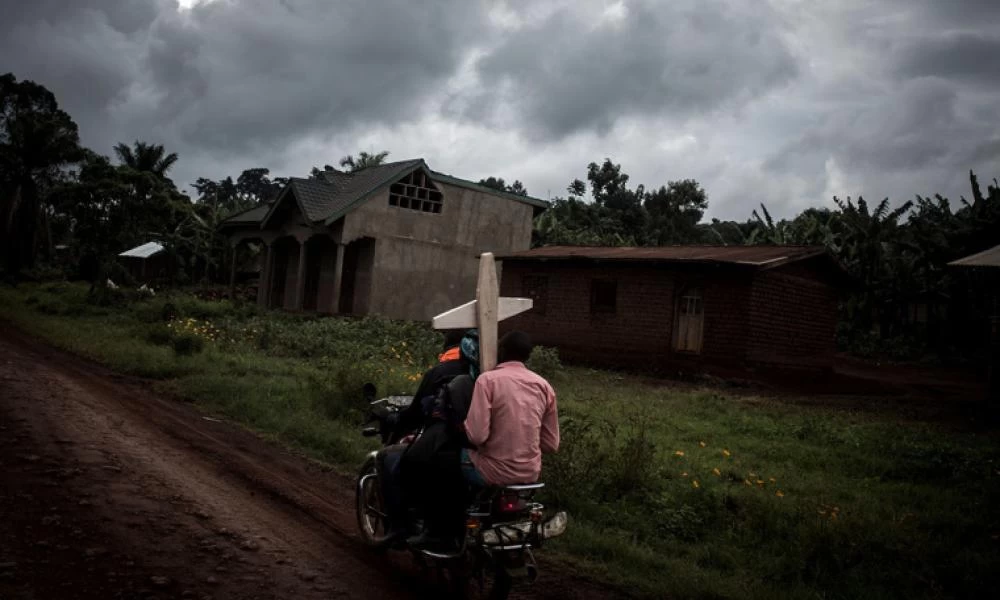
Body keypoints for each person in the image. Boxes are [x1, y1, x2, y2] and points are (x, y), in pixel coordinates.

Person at [461, 331, 559, 487]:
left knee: (454, 457)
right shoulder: (544, 386)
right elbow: (551, 444)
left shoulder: (487, 381)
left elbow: (477, 436)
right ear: (527, 356)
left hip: (491, 472)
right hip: (530, 474)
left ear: (502, 351)